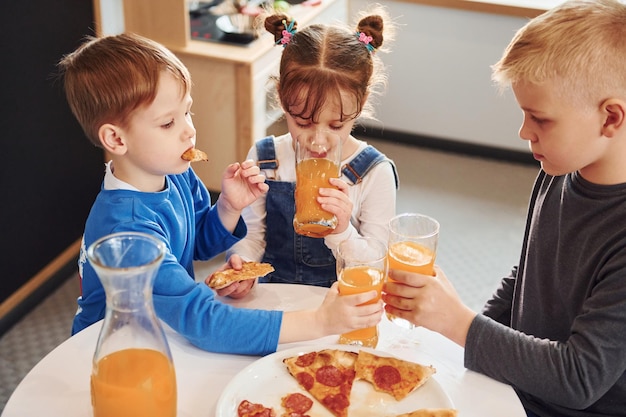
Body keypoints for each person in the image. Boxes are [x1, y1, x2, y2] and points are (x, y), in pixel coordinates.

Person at [58, 32, 383, 355]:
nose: (189, 130)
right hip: (113, 351)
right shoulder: (126, 232)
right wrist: (319, 323)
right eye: (168, 123)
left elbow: (197, 243)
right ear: (116, 140)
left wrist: (228, 207)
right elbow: (204, 322)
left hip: (161, 329)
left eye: (187, 112)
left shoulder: (176, 175)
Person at [382, 1, 626, 416]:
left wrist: (459, 323)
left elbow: (579, 377)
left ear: (610, 118)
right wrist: (458, 333)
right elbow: (528, 275)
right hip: (518, 383)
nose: (523, 132)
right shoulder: (559, 170)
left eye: (540, 119)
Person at [213, 7, 399, 298]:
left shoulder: (373, 173)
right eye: (303, 122)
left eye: (336, 125)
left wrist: (342, 231)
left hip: (341, 304)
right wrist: (242, 265)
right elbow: (252, 236)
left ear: (359, 107)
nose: (318, 141)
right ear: (283, 101)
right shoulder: (266, 159)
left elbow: (376, 264)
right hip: (276, 304)